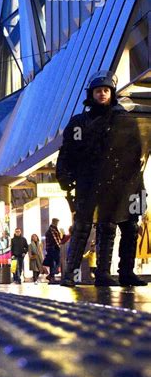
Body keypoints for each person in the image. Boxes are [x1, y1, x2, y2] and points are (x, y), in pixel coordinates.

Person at [57, 69, 147, 287]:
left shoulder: (123, 119)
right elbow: (68, 150)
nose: (102, 94)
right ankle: (69, 275)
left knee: (120, 226)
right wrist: (64, 175)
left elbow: (135, 152)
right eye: (98, 91)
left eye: (106, 90)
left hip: (120, 182)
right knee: (81, 227)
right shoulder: (80, 122)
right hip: (89, 181)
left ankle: (117, 273)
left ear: (111, 92)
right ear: (92, 94)